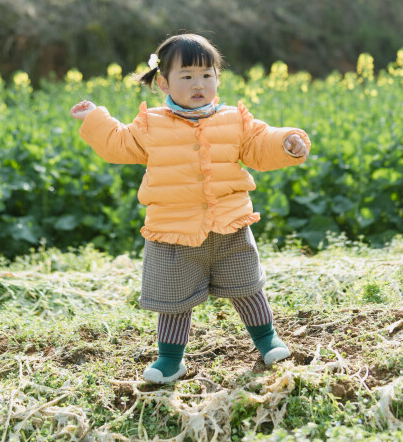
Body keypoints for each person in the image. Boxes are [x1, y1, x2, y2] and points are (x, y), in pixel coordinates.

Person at [69, 33, 311, 384]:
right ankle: (170, 360)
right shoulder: (151, 124)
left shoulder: (234, 119)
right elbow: (118, 144)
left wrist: (287, 142)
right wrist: (95, 118)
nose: (199, 84)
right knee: (174, 301)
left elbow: (261, 143)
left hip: (229, 224)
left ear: (217, 79)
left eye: (206, 75)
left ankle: (266, 338)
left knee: (247, 287)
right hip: (174, 231)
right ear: (164, 83)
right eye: (187, 77)